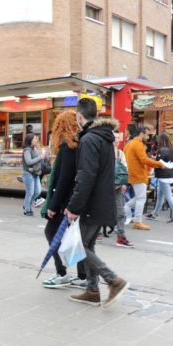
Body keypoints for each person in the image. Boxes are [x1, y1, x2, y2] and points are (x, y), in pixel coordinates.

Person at [64, 98, 128, 307]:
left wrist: (74, 206)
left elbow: (86, 176)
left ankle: (113, 280)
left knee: (80, 246)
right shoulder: (105, 137)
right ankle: (92, 291)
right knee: (88, 244)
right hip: (102, 199)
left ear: (79, 116)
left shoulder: (89, 139)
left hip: (91, 202)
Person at [40, 110, 87, 288]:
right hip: (78, 199)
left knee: (51, 232)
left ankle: (62, 273)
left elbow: (64, 180)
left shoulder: (68, 147)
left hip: (67, 203)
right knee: (77, 237)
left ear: (60, 127)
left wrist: (52, 205)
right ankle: (83, 276)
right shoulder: (81, 144)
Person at [123, 125, 173, 230]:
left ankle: (127, 209)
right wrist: (159, 164)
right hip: (139, 175)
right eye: (147, 134)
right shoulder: (138, 144)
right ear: (141, 134)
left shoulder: (129, 144)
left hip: (133, 174)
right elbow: (144, 160)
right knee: (141, 198)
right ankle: (137, 221)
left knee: (139, 197)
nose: (148, 137)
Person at [145, 133, 173, 224]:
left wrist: (153, 161)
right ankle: (155, 213)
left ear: (160, 140)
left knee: (168, 196)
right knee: (160, 195)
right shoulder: (172, 150)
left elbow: (158, 163)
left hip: (163, 176)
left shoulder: (162, 150)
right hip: (170, 175)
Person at [113, 136, 135, 247]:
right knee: (101, 210)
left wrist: (124, 183)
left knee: (120, 212)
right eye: (115, 138)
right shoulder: (103, 152)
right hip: (104, 186)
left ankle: (121, 237)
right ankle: (97, 233)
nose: (117, 140)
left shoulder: (120, 153)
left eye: (118, 138)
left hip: (117, 186)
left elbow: (125, 169)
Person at [22, 134, 43, 216]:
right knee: (30, 192)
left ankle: (26, 205)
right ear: (30, 140)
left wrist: (41, 155)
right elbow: (28, 162)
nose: (36, 140)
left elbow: (38, 159)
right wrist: (40, 157)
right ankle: (27, 209)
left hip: (36, 173)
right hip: (28, 173)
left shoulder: (34, 148)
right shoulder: (27, 150)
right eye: (35, 139)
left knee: (37, 191)